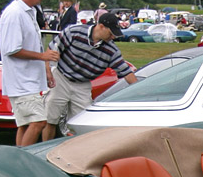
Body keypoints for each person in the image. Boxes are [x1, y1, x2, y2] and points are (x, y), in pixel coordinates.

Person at [42, 12, 136, 140]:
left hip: (83, 85)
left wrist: (139, 91)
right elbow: (51, 51)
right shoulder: (73, 32)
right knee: (50, 120)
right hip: (61, 78)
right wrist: (48, 72)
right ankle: (43, 152)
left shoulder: (111, 51)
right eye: (111, 33)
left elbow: (126, 73)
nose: (113, 37)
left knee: (82, 124)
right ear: (101, 26)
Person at [0, 0, 59, 147]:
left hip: (29, 80)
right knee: (39, 122)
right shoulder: (14, 13)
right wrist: (43, 57)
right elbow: (12, 49)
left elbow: (35, 45)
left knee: (26, 124)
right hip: (21, 81)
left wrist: (45, 68)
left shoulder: (29, 12)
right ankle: (22, 160)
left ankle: (18, 161)